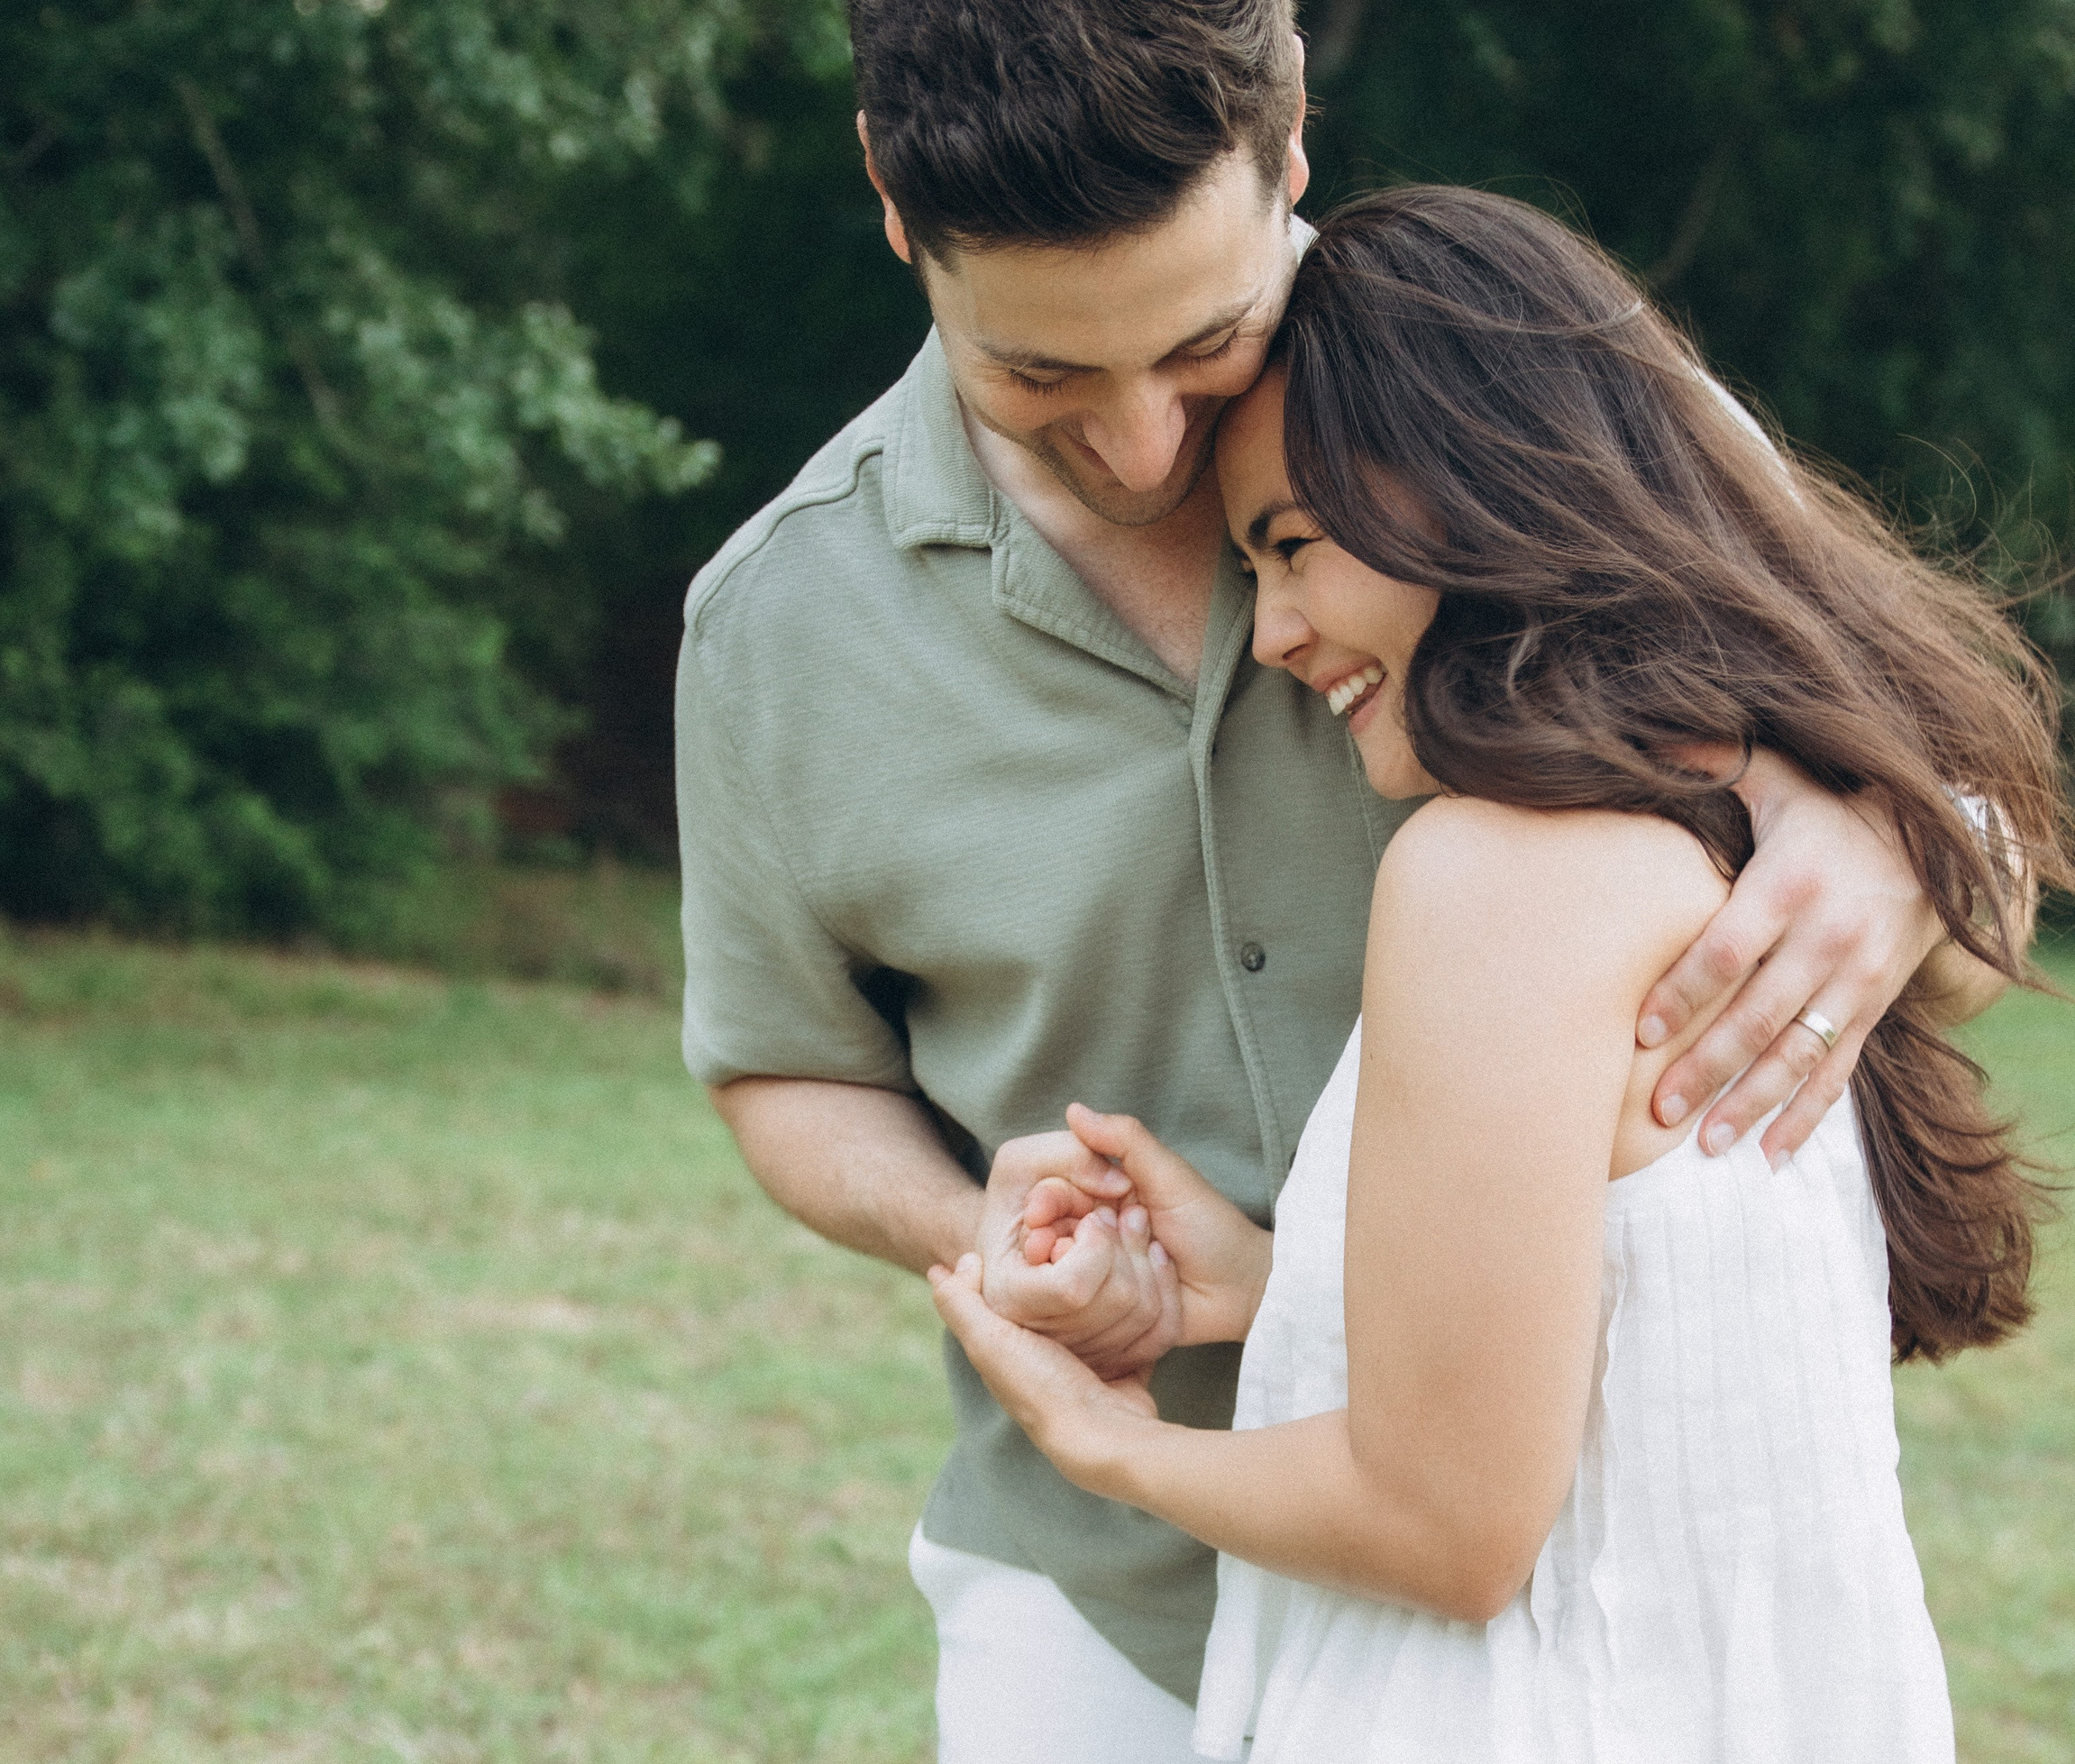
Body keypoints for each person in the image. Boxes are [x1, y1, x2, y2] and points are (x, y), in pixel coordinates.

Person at [676, 2, 1993, 1754]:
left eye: (1203, 346)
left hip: (1596, 1608)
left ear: (1287, 136)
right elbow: (785, 1068)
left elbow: (1957, 845)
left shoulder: (1565, 409)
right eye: (1040, 374)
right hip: (1104, 1598)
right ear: (892, 204)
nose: (1142, 447)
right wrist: (987, 1231)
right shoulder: (779, 624)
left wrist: (1901, 842)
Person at [928, 184, 2068, 1761]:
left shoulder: (1500, 876)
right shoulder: (1757, 855)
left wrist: (1103, 1442)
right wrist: (1283, 1292)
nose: (1270, 633)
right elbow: (1628, 1387)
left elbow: (1450, 1529)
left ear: (1474, 489)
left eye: (1297, 546)